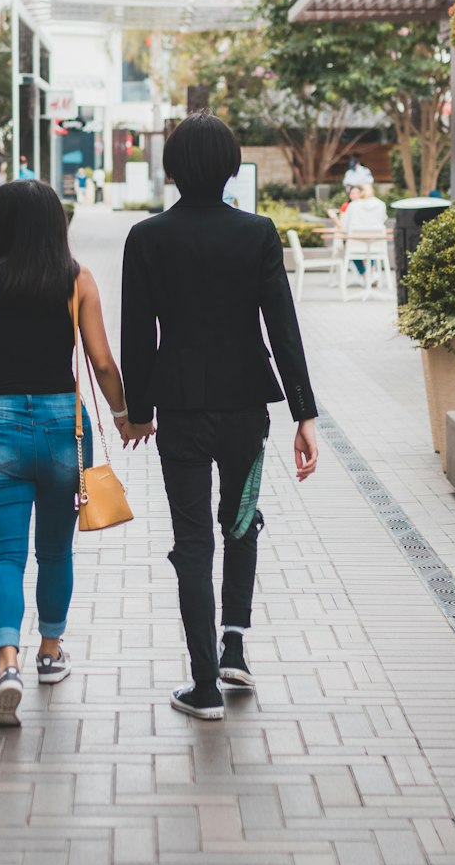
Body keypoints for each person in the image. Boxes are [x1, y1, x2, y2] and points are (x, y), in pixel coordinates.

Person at [120, 111, 318, 722]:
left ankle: (205, 684)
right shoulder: (258, 233)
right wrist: (304, 416)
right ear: (233, 168)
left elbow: (136, 335)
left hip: (178, 408)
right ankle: (235, 641)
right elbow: (282, 329)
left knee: (191, 542)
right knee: (240, 519)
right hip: (245, 410)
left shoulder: (147, 238)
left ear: (172, 168)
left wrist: (138, 411)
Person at [0, 179, 129, 727]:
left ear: (1, 223)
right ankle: (50, 652)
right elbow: (102, 363)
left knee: (5, 556)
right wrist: (125, 415)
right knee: (55, 551)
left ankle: (7, 664)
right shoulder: (78, 280)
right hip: (61, 431)